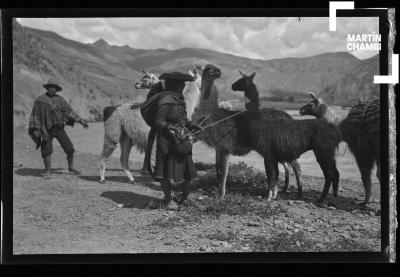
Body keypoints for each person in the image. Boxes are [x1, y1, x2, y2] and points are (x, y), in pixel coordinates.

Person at [151, 72, 203, 210]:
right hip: (166, 141)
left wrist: (191, 125)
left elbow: (183, 119)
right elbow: (158, 121)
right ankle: (168, 200)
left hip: (181, 140)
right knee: (165, 170)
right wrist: (170, 127)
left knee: (187, 169)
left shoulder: (179, 99)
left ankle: (186, 197)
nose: (184, 86)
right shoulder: (165, 100)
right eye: (182, 84)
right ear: (174, 85)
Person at [28, 77, 89, 179]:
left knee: (70, 148)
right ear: (47, 88)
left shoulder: (60, 100)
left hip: (59, 128)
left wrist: (80, 120)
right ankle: (48, 172)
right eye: (50, 87)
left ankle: (71, 167)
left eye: (54, 87)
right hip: (46, 130)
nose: (52, 89)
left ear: (56, 89)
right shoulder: (40, 100)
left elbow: (69, 111)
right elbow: (35, 115)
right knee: (46, 150)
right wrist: (36, 129)